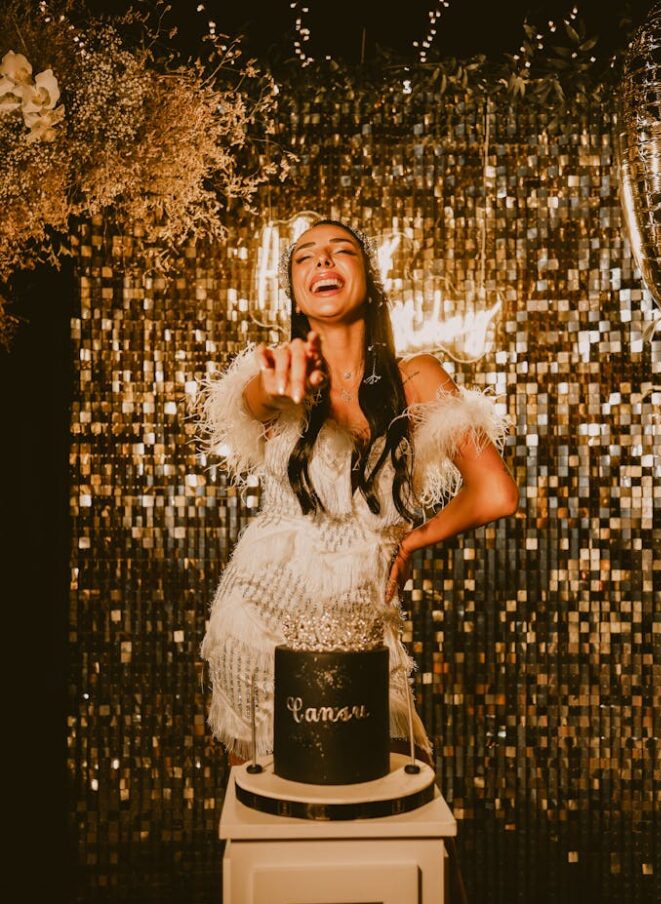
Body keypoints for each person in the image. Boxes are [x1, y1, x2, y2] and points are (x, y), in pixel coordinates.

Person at [197, 219, 518, 766]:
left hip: (362, 616)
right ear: (295, 290)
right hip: (259, 614)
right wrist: (276, 386)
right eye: (305, 257)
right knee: (268, 809)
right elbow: (255, 399)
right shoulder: (274, 370)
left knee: (380, 798)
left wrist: (412, 541)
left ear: (368, 278)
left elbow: (495, 493)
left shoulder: (415, 377)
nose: (323, 261)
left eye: (340, 251)